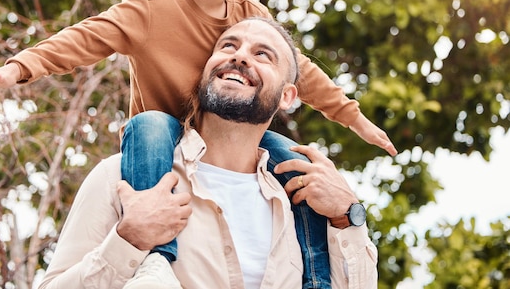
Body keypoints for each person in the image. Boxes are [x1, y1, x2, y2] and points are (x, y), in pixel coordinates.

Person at [0, 0, 395, 289]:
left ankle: (316, 281)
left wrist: (354, 122)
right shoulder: (150, 8)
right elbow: (87, 36)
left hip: (238, 153)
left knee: (292, 158)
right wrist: (20, 67)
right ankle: (158, 258)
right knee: (152, 124)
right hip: (163, 143)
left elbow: (303, 70)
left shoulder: (251, 17)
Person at [38, 18, 378, 289]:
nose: (240, 56)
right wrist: (129, 240)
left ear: (287, 97)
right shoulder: (121, 179)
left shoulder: (303, 205)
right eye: (228, 45)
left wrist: (348, 215)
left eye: (263, 54)